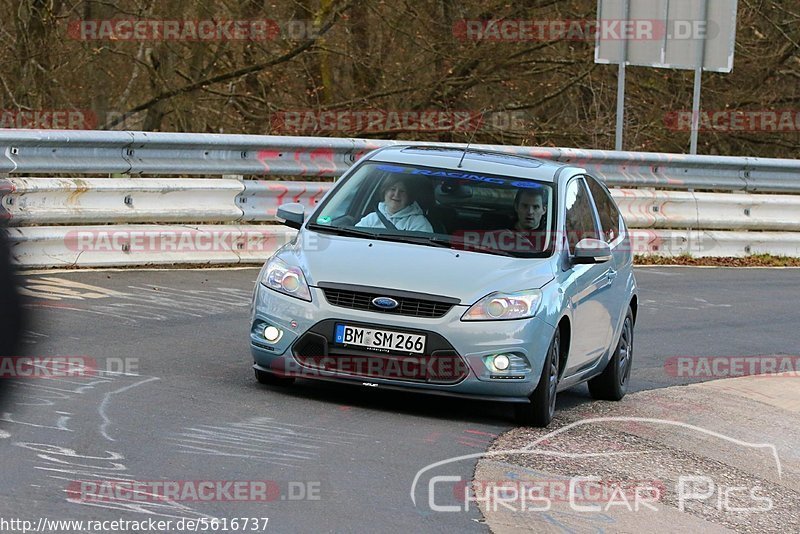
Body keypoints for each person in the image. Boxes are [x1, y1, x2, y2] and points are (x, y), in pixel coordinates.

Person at [356, 176, 433, 232]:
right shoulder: (371, 219)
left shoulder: (418, 223)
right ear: (384, 192)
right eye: (393, 189)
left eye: (402, 191)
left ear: (409, 197)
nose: (396, 194)